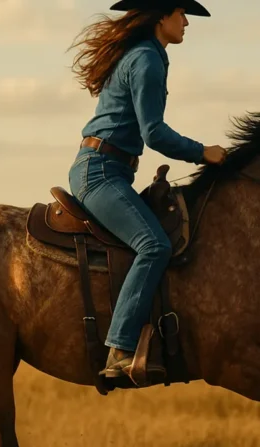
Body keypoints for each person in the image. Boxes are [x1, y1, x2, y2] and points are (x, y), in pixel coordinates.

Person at [67, 0, 227, 382]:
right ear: (161, 16)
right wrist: (203, 153)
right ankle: (121, 350)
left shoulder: (147, 56)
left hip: (109, 169)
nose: (187, 21)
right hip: (101, 173)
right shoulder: (146, 60)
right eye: (181, 13)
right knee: (155, 245)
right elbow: (153, 132)